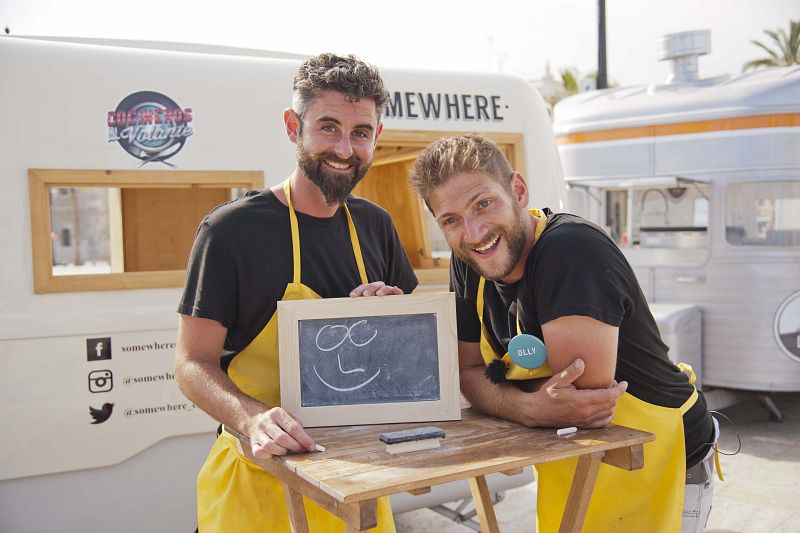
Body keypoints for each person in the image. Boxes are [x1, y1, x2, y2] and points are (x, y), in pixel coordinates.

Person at [409, 135, 719, 532]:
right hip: (574, 459)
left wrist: (507, 400)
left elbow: (583, 406)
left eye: (483, 203)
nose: (473, 232)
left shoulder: (569, 250)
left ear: (517, 190)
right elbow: (465, 373)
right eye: (450, 220)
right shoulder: (467, 260)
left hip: (661, 456)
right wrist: (528, 408)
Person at [174, 53, 417, 533]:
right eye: (328, 127)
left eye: (360, 133)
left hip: (361, 481)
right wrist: (252, 419)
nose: (345, 148)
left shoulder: (376, 226)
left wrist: (394, 324)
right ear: (293, 126)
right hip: (259, 485)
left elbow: (411, 363)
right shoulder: (231, 231)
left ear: (376, 137)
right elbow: (190, 363)